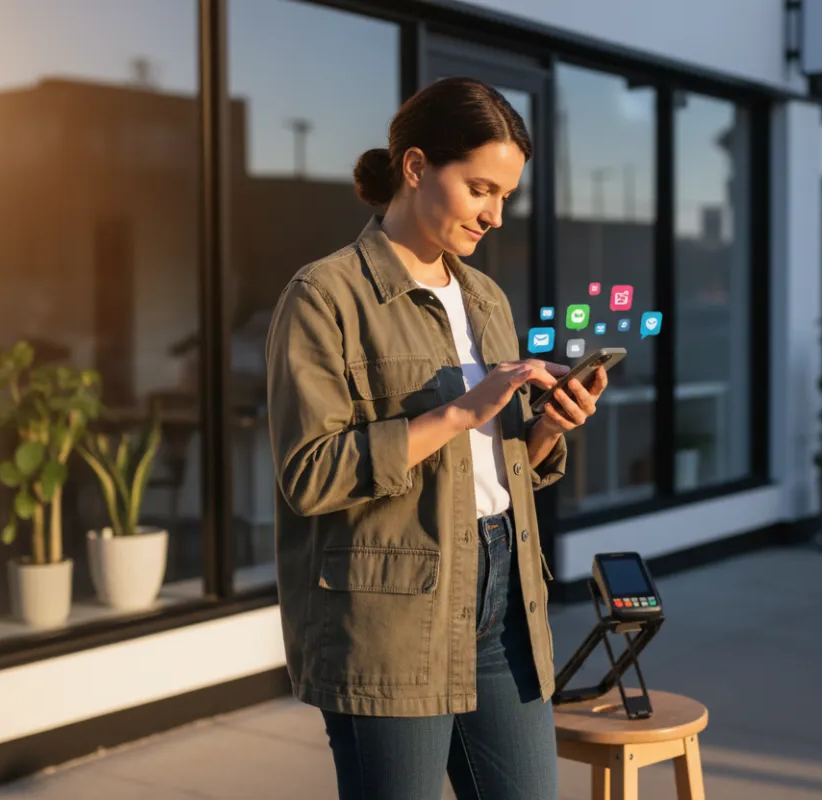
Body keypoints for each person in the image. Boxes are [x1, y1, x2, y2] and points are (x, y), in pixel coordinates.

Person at [265, 77, 609, 800]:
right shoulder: (324, 296)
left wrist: (546, 428)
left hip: (502, 595)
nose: (496, 215)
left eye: (506, 196)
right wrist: (457, 412)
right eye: (482, 188)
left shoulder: (487, 298)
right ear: (416, 168)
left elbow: (497, 467)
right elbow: (310, 475)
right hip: (390, 612)